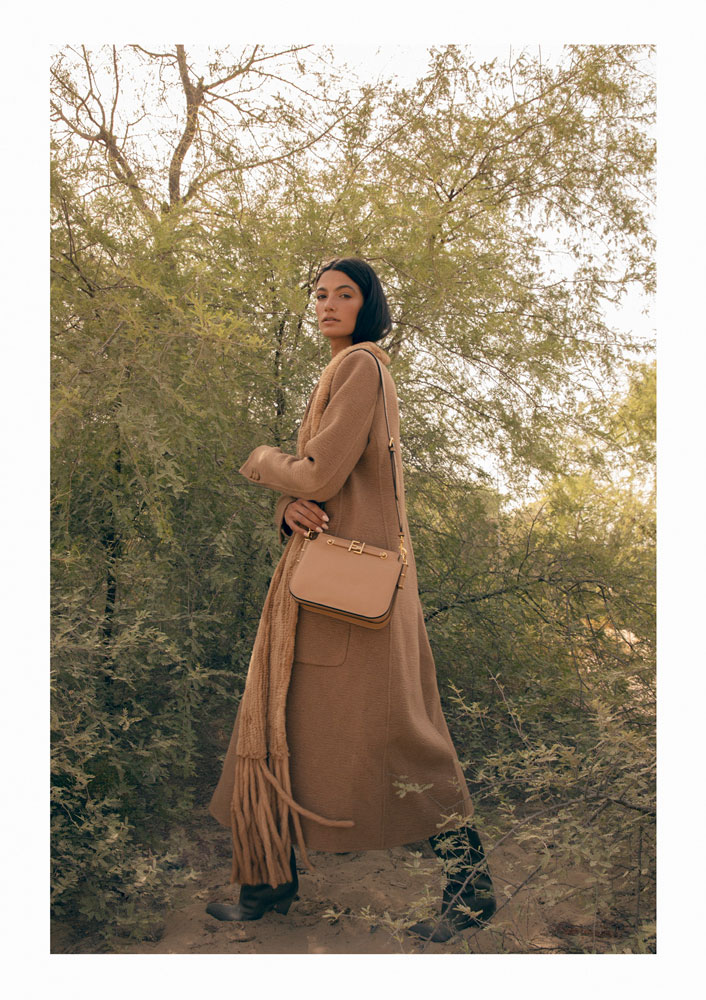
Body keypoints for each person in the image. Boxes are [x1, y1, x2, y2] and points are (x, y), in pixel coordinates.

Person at [205, 257, 496, 942]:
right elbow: (325, 487)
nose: (329, 304)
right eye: (320, 295)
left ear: (369, 306)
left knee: (402, 735)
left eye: (345, 294)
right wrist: (288, 511)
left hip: (350, 593)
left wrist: (262, 461)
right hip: (329, 584)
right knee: (278, 719)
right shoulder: (347, 368)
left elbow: (320, 473)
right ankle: (266, 881)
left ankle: (471, 888)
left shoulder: (360, 366)